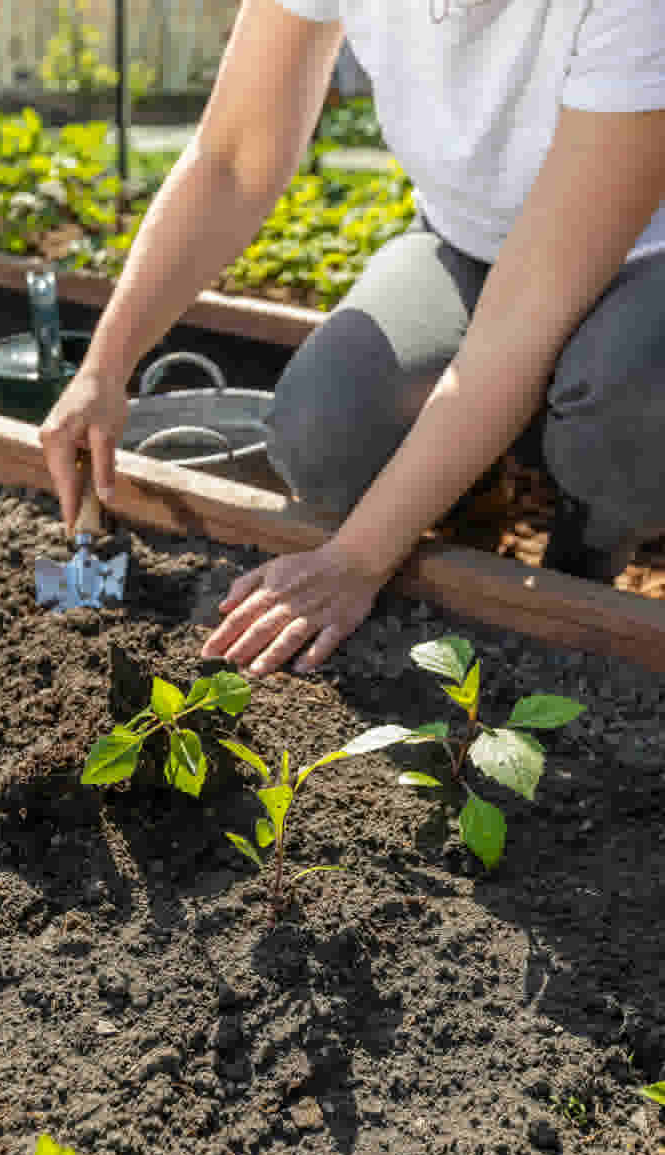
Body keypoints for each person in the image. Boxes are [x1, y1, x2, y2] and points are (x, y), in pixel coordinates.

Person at [40, 0, 665, 676]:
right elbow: (232, 156)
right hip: (466, 241)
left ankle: (586, 565)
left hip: (645, 255)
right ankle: (471, 501)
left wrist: (356, 559)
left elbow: (531, 306)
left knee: (628, 409)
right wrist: (104, 366)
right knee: (323, 427)